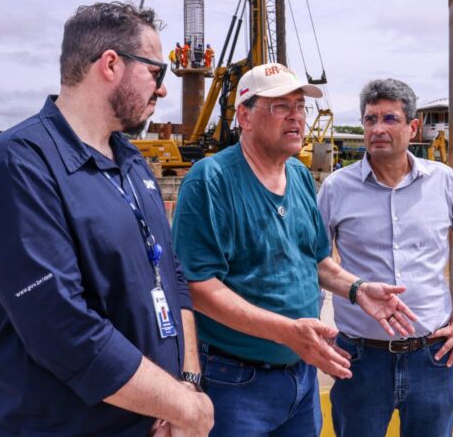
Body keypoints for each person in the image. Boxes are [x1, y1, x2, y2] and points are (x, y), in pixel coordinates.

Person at [0, 2, 213, 437]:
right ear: (111, 65)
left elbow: (171, 276)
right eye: (156, 72)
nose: (162, 91)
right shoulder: (19, 165)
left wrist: (187, 384)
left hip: (155, 420)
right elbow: (61, 327)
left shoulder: (132, 161)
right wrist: (183, 408)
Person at [172, 63, 418, 437]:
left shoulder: (300, 176)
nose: (296, 117)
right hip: (235, 382)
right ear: (244, 117)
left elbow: (317, 260)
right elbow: (197, 288)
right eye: (280, 106)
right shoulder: (211, 181)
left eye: (300, 106)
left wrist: (357, 289)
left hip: (300, 378)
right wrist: (287, 332)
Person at [317, 78, 453, 437]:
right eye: (370, 119)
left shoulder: (443, 181)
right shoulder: (336, 188)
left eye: (390, 119)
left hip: (432, 357)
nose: (378, 129)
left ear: (412, 127)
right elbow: (314, 264)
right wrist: (315, 331)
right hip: (359, 360)